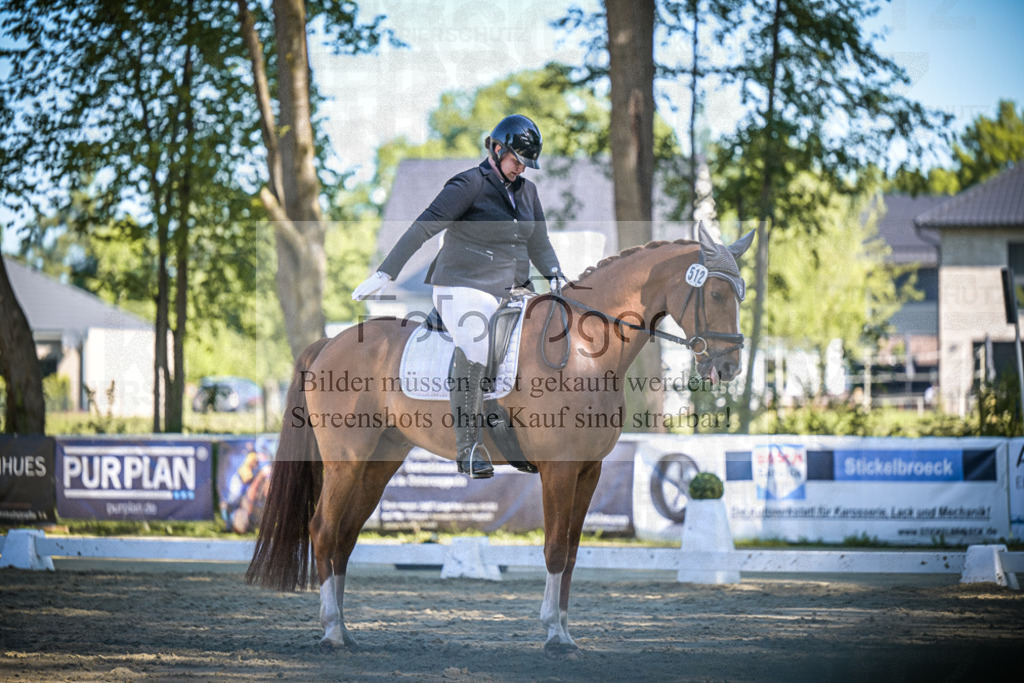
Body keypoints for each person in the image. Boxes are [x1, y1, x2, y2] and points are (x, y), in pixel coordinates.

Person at [352, 114, 567, 478]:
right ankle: (468, 447)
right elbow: (424, 226)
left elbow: (539, 242)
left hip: (511, 289)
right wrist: (386, 272)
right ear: (497, 149)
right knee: (477, 342)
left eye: (525, 164)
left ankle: (517, 432)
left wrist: (555, 275)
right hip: (461, 285)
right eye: (516, 160)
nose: (521, 169)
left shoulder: (527, 191)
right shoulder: (469, 184)